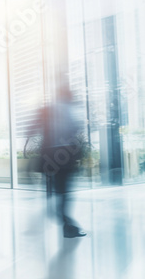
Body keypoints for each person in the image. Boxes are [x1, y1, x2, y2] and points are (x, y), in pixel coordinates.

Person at [38, 87, 86, 238]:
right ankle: (65, 222)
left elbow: (34, 129)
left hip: (48, 156)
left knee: (56, 189)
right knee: (64, 192)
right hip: (64, 156)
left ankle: (61, 217)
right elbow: (76, 130)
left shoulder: (47, 109)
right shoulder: (69, 110)